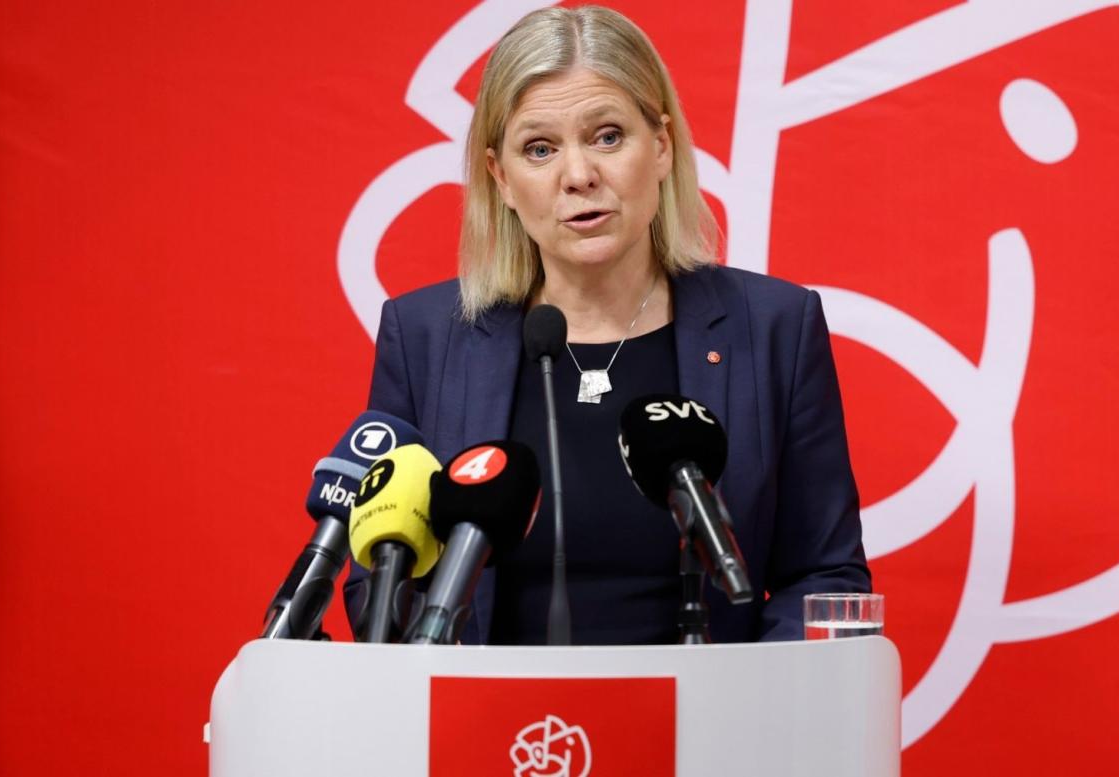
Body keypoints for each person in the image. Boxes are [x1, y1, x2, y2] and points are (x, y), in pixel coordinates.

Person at [350, 5, 870, 644]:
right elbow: (376, 577)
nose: (578, 176)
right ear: (501, 178)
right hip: (495, 734)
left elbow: (824, 576)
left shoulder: (773, 329)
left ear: (661, 146)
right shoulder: (427, 337)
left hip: (712, 731)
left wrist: (744, 711)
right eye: (539, 149)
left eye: (607, 136)